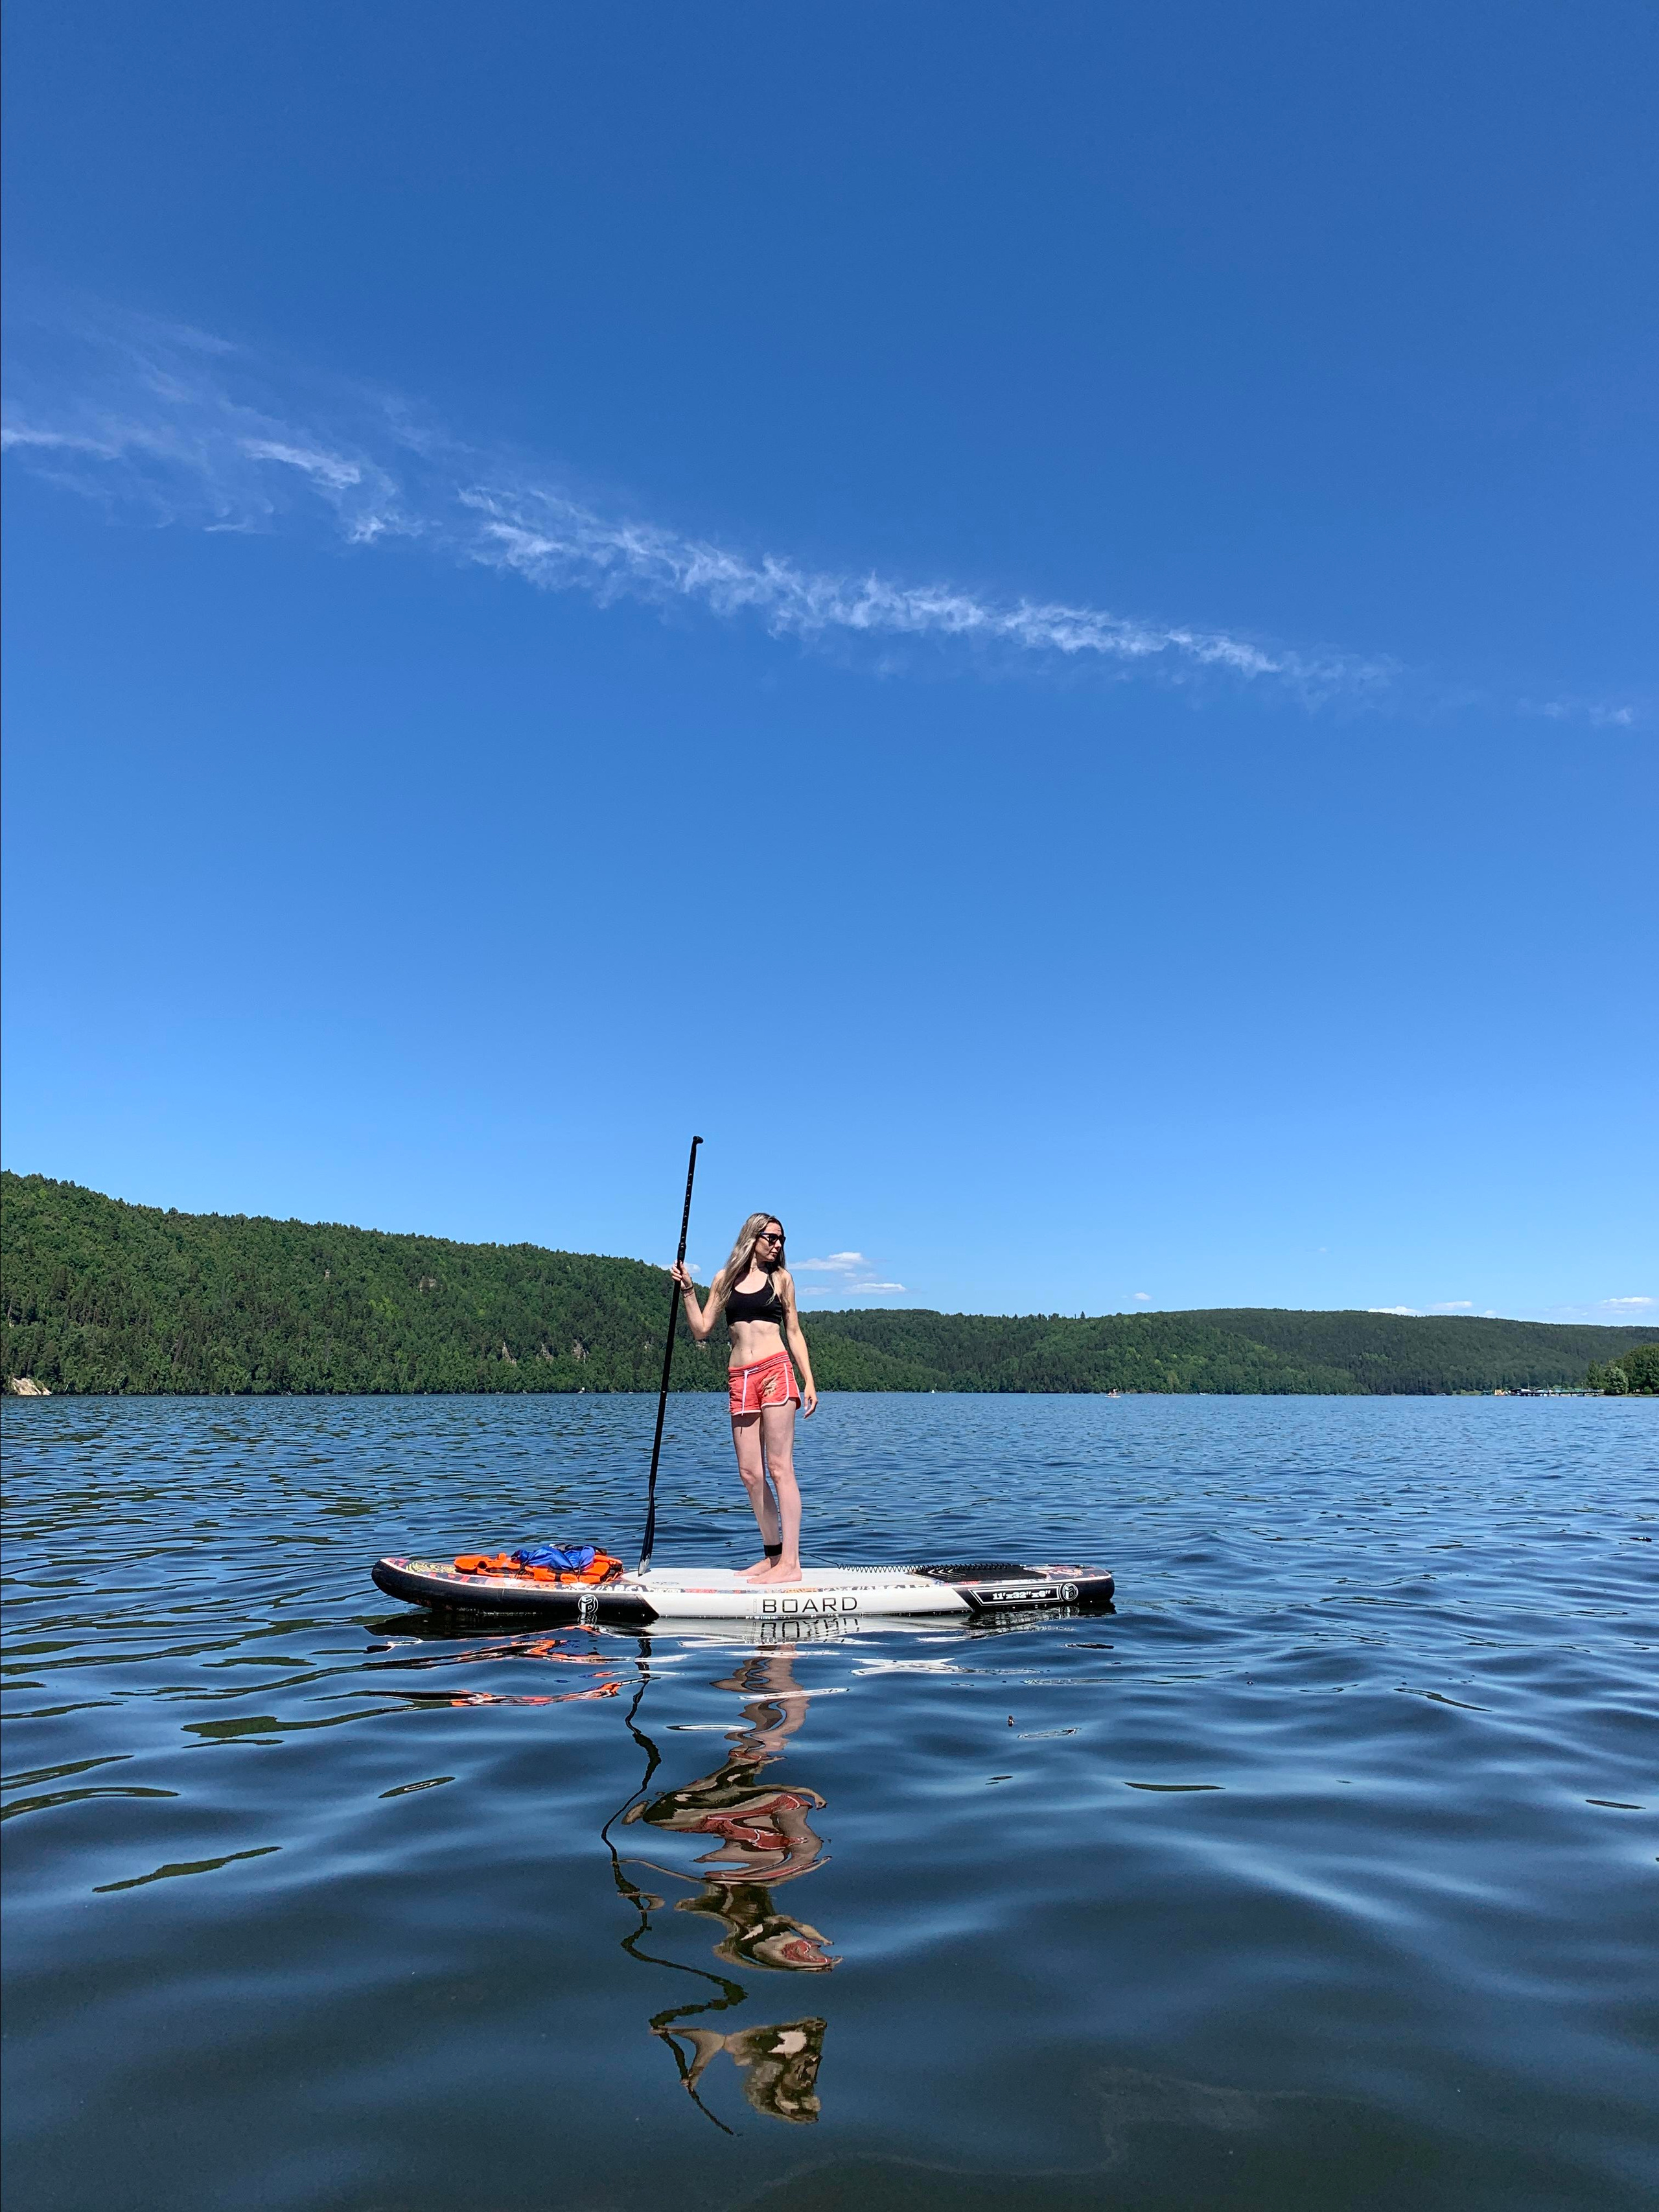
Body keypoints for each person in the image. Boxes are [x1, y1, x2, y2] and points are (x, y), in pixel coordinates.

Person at [671, 1213, 817, 1583]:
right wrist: (688, 1290)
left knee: (780, 1468)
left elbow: (794, 1332)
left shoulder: (781, 1280)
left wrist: (809, 1381)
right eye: (771, 1238)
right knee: (750, 1473)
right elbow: (702, 1329)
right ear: (753, 1237)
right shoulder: (724, 1280)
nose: (777, 1245)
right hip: (740, 1378)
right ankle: (773, 1556)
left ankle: (791, 1563)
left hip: (775, 1370)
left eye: (782, 1239)